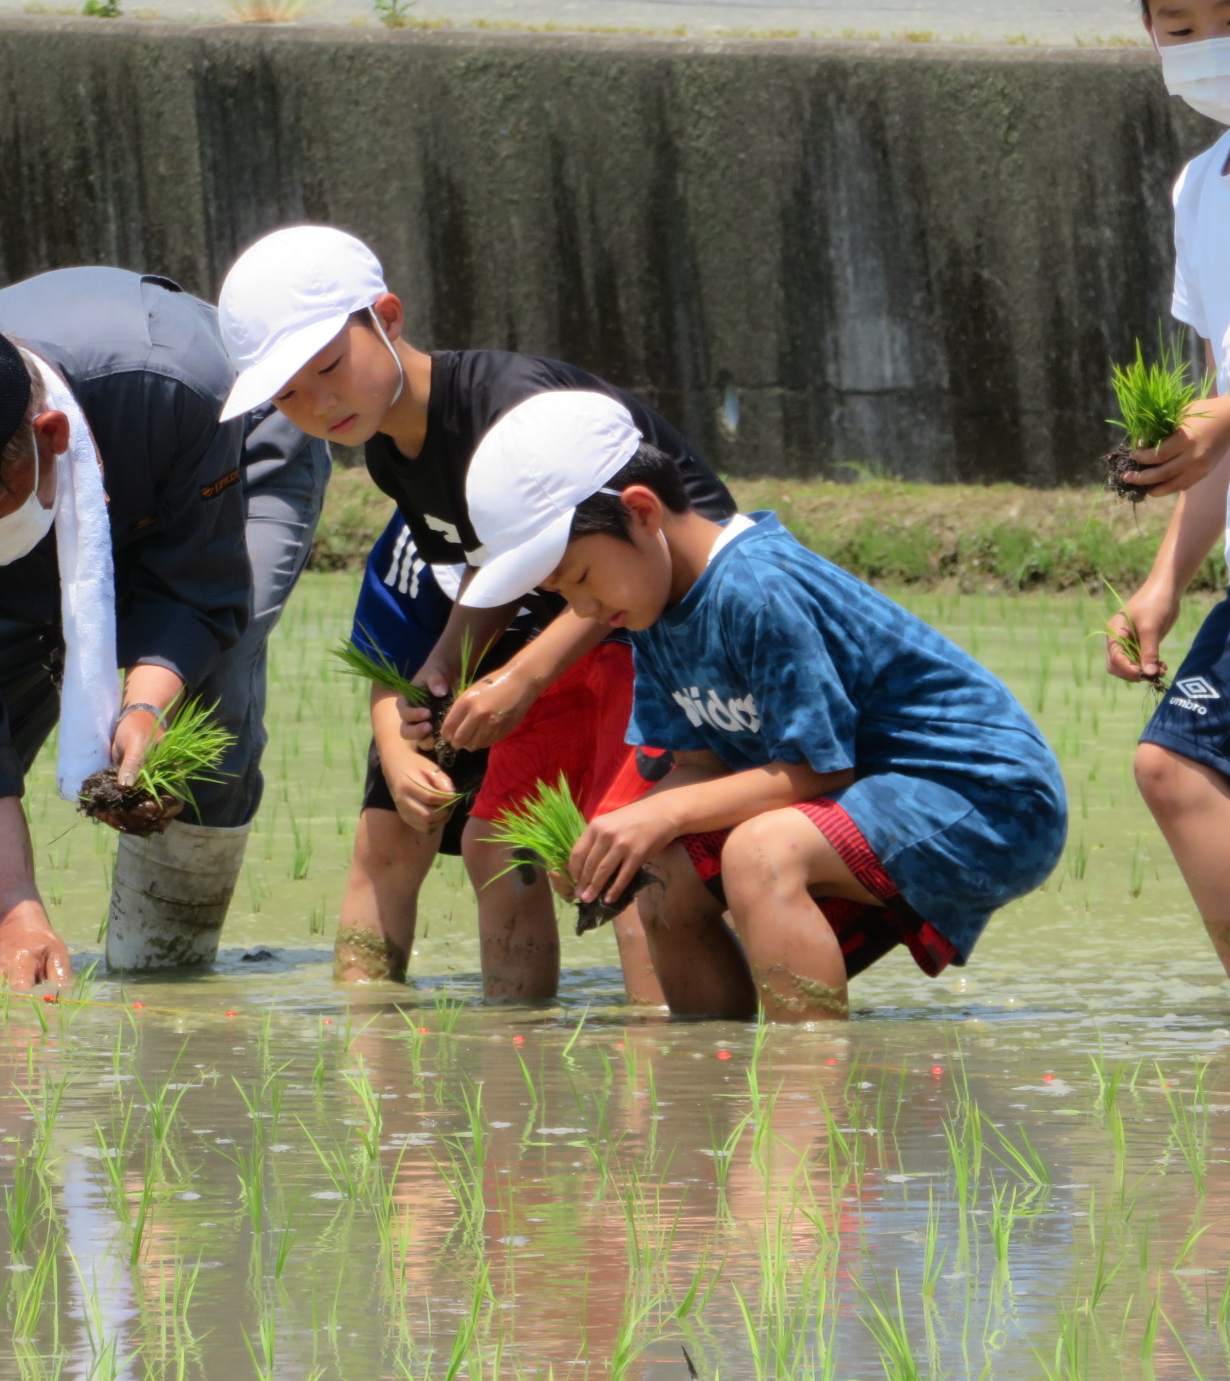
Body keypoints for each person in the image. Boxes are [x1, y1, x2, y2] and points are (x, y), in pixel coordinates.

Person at [218, 224, 735, 1002]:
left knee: (624, 847)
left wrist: (522, 675)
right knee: (502, 842)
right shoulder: (394, 453)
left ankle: (661, 1054)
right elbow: (488, 574)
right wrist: (443, 667)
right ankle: (511, 1044)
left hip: (669, 622)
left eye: (329, 366)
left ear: (387, 319)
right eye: (287, 393)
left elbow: (622, 567)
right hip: (587, 623)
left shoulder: (511, 409)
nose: (319, 403)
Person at [455, 391, 1066, 1021]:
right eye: (563, 594)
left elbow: (821, 768)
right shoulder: (653, 612)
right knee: (660, 872)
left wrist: (659, 814)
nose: (582, 612)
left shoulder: (755, 587)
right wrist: (621, 836)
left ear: (641, 512)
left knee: (760, 854)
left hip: (984, 795)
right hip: (865, 795)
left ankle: (800, 1090)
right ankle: (716, 1077)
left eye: (580, 578)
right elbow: (697, 764)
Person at [0, 268, 329, 990]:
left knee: (208, 702)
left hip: (218, 443)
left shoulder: (179, 386)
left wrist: (146, 704)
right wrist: (13, 918)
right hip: (39, 524)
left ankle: (163, 968)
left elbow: (200, 588)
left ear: (47, 436)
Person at [1105, 0, 1230, 1028]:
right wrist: (1166, 575)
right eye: (1179, 32)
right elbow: (1220, 396)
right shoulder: (1195, 189)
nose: (1207, 47)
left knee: (1178, 765)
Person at [333, 510, 522, 983]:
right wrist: (398, 762)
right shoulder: (414, 532)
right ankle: (363, 1005)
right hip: (429, 695)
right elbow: (387, 663)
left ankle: (518, 1025)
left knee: (506, 854)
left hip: (550, 686)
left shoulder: (560, 520)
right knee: (385, 839)